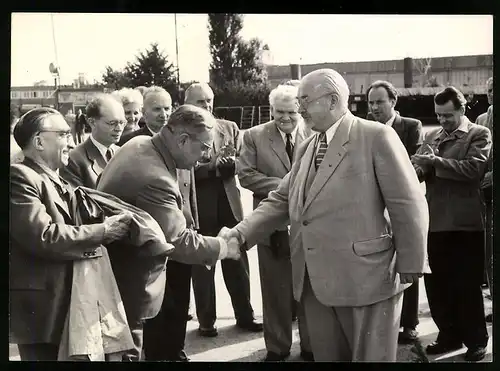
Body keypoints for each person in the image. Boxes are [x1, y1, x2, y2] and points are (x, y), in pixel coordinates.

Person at [221, 68, 429, 362]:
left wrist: (412, 260)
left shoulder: (376, 136)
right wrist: (239, 235)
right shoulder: (309, 145)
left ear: (332, 101)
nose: (299, 108)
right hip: (315, 283)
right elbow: (281, 199)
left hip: (366, 279)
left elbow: (408, 202)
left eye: (305, 100)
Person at [97, 104, 242, 362]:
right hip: (138, 281)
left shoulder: (141, 144)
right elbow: (177, 241)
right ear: (183, 139)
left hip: (124, 268)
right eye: (205, 147)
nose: (207, 156)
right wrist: (223, 247)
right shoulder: (156, 178)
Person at [10, 107, 133, 360]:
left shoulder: (58, 180)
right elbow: (44, 236)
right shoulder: (20, 177)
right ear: (39, 141)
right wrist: (102, 230)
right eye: (64, 134)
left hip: (71, 298)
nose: (71, 142)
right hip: (43, 308)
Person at [413, 86, 491, 362]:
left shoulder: (479, 134)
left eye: (448, 115)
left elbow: (473, 170)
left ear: (461, 110)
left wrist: (434, 161)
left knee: (466, 286)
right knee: (438, 286)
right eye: (438, 115)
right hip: (435, 222)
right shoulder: (432, 135)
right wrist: (416, 167)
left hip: (465, 223)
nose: (443, 121)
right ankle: (448, 335)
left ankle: (476, 341)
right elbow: (420, 173)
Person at [238, 83, 313, 361]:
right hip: (272, 225)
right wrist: (288, 186)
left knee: (309, 289)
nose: (286, 118)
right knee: (275, 291)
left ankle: (311, 345)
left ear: (300, 111)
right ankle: (278, 347)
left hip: (308, 225)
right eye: (279, 112)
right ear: (271, 110)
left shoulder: (314, 133)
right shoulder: (255, 136)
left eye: (292, 112)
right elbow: (245, 175)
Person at [185, 83, 263, 339]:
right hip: (200, 208)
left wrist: (232, 165)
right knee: (204, 266)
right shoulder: (181, 132)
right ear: (187, 104)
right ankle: (206, 321)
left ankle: (245, 314)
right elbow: (184, 170)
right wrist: (215, 168)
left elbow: (244, 160)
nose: (206, 106)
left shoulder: (229, 127)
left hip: (229, 205)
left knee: (237, 261)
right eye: (200, 102)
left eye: (209, 101)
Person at [367, 80, 423, 344]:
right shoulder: (365, 128)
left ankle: (410, 323)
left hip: (400, 204)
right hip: (372, 207)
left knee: (407, 262)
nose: (374, 107)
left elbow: (413, 165)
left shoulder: (411, 127)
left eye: (379, 101)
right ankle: (384, 321)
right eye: (370, 102)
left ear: (393, 101)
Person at [60, 94, 126, 189]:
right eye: (112, 123)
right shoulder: (74, 159)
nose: (119, 128)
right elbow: (78, 201)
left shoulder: (123, 153)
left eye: (122, 122)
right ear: (92, 122)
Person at [476, 78, 493, 323]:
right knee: (489, 250)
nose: (491, 94)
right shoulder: (481, 120)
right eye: (489, 89)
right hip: (485, 193)